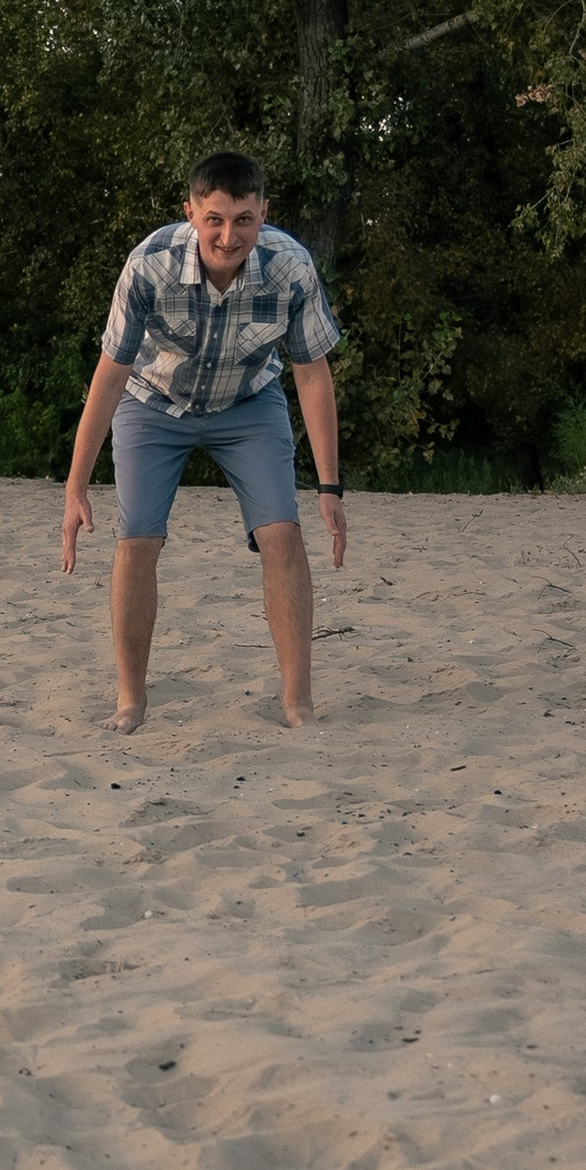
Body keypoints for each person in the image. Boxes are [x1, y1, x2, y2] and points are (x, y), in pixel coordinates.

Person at [59, 150, 347, 733]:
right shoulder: (149, 265)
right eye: (214, 218)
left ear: (264, 212)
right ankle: (130, 700)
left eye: (243, 218)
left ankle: (298, 703)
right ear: (189, 211)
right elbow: (111, 372)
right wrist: (76, 485)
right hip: (153, 402)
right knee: (137, 539)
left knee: (282, 536)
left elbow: (311, 373)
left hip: (248, 403)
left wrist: (330, 487)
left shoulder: (291, 266)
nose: (228, 234)